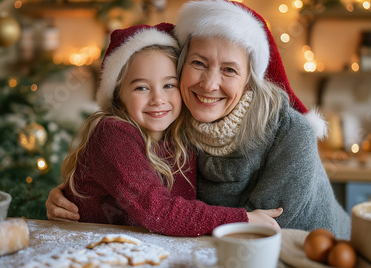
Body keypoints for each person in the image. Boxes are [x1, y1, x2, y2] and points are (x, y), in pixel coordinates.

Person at [47, 0, 351, 239]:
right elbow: (150, 198)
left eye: (229, 70)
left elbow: (262, 232)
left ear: (250, 81)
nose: (208, 84)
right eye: (198, 63)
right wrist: (80, 192)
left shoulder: (290, 134)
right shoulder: (178, 124)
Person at [59, 22, 282, 237]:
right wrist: (243, 219)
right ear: (117, 95)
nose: (158, 99)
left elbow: (185, 213)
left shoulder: (181, 135)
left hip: (143, 252)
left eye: (168, 85)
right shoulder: (112, 134)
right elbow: (159, 212)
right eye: (141, 87)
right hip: (92, 254)